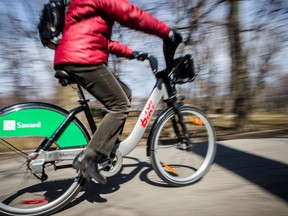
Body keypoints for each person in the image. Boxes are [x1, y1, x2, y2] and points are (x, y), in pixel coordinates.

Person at [54, 0, 181, 185]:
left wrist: (132, 53)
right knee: (120, 105)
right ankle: (89, 157)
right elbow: (129, 13)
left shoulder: (86, 13)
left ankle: (108, 145)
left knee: (125, 93)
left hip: (77, 54)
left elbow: (103, 41)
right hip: (83, 57)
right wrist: (165, 31)